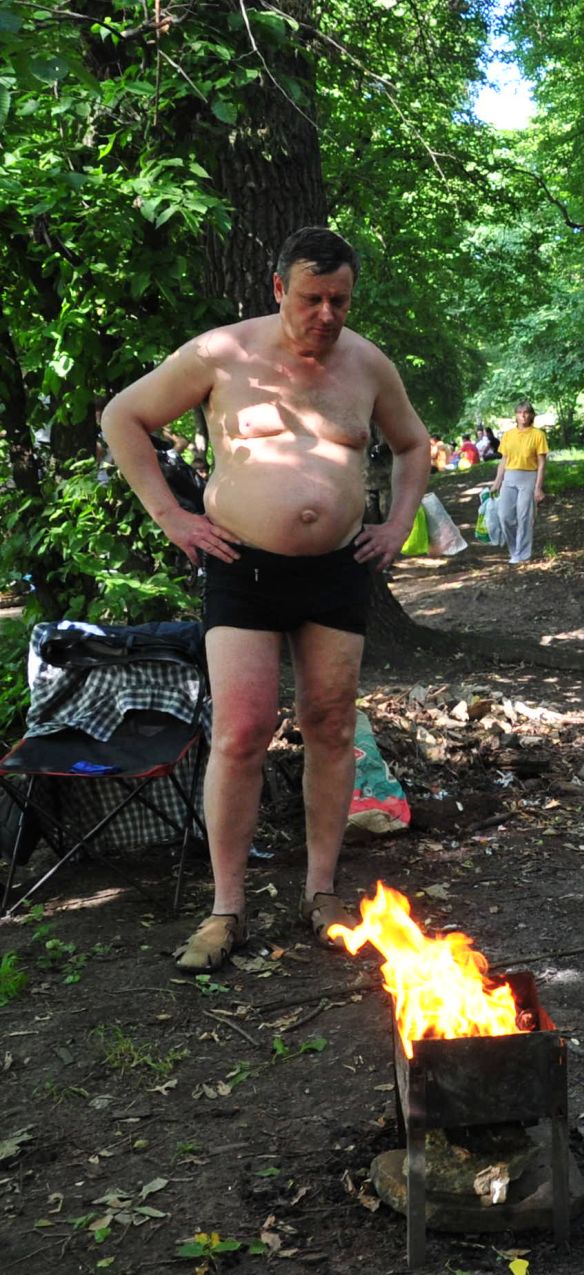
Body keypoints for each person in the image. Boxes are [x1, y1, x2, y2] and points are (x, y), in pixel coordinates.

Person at [100, 226, 429, 972]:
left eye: (339, 300)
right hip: (239, 566)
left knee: (331, 724)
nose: (326, 314)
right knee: (242, 730)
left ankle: (321, 891)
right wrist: (171, 516)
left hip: (336, 570)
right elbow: (124, 416)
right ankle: (226, 909)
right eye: (311, 298)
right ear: (279, 288)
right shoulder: (221, 353)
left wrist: (399, 523)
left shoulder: (366, 364)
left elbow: (414, 443)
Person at [489, 400, 548, 564]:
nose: (523, 415)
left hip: (529, 477)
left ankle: (523, 554)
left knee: (524, 517)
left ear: (531, 415)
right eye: (520, 412)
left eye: (526, 412)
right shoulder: (508, 435)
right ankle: (514, 550)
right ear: (515, 415)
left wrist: (538, 488)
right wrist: (497, 482)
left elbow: (542, 463)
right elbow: (503, 460)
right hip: (509, 477)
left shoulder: (538, 435)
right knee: (504, 516)